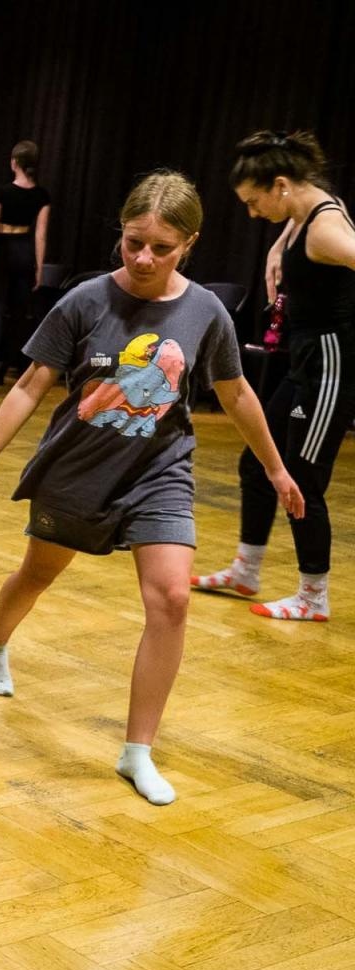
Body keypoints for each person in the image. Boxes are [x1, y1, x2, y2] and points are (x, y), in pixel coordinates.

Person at [0, 171, 304, 806]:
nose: (144, 258)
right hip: (77, 469)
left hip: (159, 471)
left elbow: (236, 393)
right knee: (36, 577)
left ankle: (137, 752)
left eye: (161, 248)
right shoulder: (85, 300)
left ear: (190, 244)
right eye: (133, 243)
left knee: (173, 600)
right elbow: (28, 386)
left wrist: (274, 467)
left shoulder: (205, 311)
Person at [194, 131, 355, 622]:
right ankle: (246, 570)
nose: (252, 213)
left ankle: (313, 597)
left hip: (332, 363)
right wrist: (280, 245)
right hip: (307, 358)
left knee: (304, 477)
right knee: (256, 461)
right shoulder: (311, 209)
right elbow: (309, 217)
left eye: (254, 201)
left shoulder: (325, 231)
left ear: (281, 185)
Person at [0, 140, 51, 393]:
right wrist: (39, 267)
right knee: (19, 313)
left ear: (14, 163)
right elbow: (40, 234)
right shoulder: (41, 195)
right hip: (24, 249)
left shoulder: (1, 191)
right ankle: (10, 364)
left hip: (2, 247)